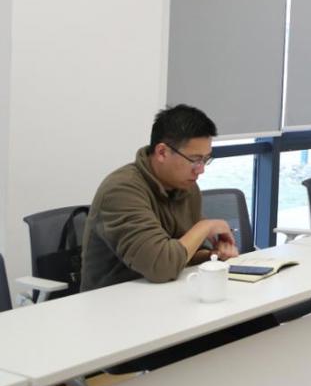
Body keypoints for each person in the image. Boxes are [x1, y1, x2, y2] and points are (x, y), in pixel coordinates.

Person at [80, 104, 276, 371]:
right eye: (195, 159)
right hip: (118, 320)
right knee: (234, 340)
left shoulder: (186, 188)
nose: (201, 170)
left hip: (168, 303)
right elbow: (162, 265)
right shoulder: (121, 190)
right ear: (162, 152)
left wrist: (213, 255)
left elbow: (183, 253)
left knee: (260, 323)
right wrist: (205, 227)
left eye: (206, 159)